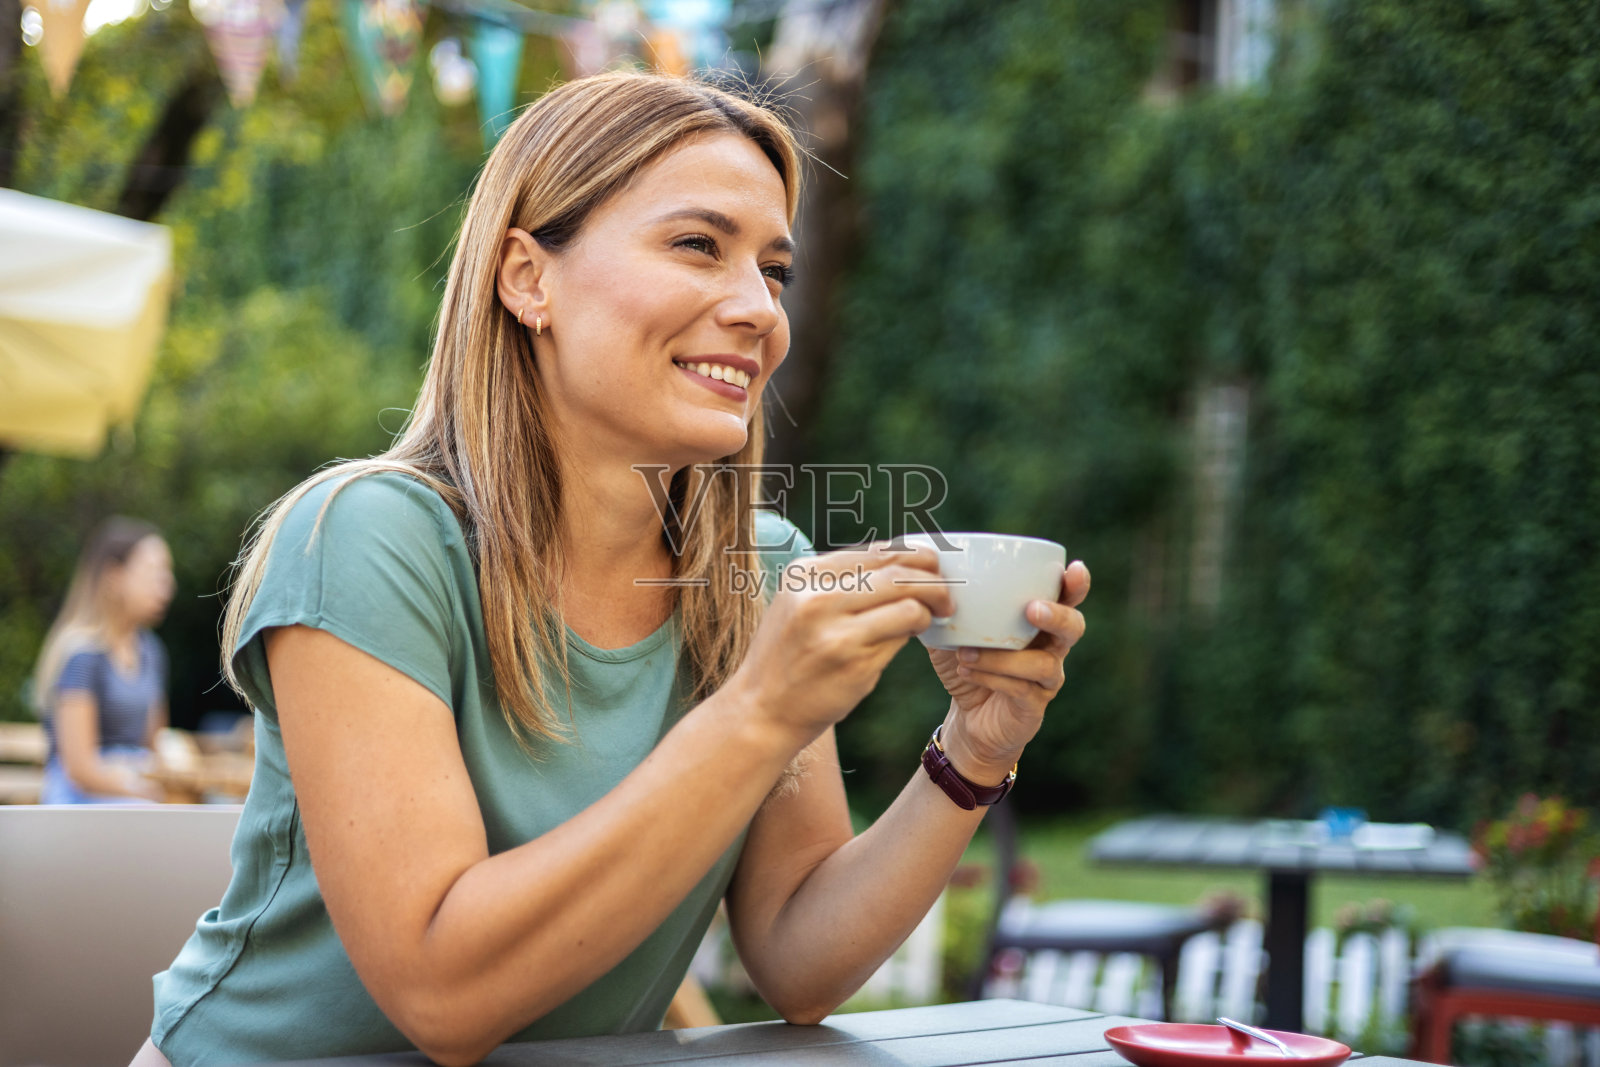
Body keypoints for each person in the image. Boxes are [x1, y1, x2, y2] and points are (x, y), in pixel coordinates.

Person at [137, 71, 1090, 1067]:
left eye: (773, 269)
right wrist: (761, 710)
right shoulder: (369, 539)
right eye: (698, 245)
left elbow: (799, 955)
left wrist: (972, 752)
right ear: (527, 278)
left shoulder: (761, 571)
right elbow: (441, 992)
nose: (759, 309)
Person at [31, 516, 174, 804]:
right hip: (84, 797)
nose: (167, 585)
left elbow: (154, 745)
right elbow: (81, 770)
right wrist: (148, 792)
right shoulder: (83, 655)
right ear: (114, 576)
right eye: (154, 572)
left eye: (167, 573)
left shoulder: (151, 652)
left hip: (134, 785)